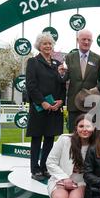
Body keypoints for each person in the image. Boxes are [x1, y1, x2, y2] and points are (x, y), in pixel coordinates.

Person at [42, 114, 95, 198]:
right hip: (60, 178)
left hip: (80, 182)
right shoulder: (65, 140)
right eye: (81, 126)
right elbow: (51, 162)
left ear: (93, 128)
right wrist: (64, 178)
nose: (85, 129)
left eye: (88, 126)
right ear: (76, 128)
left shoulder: (95, 145)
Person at [26, 32, 66, 181]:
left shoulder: (57, 64)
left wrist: (61, 101)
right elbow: (31, 85)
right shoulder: (33, 62)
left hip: (54, 109)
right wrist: (42, 102)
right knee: (37, 139)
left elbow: (62, 85)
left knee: (50, 139)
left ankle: (45, 167)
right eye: (45, 43)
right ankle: (35, 169)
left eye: (50, 43)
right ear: (39, 46)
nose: (48, 46)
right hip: (40, 108)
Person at [59, 29, 100, 131]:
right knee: (73, 136)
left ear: (92, 41)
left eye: (89, 40)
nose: (86, 42)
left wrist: (96, 89)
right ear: (77, 40)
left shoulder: (98, 59)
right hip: (73, 104)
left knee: (91, 136)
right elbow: (64, 78)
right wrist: (61, 73)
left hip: (91, 104)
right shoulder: (69, 57)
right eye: (83, 39)